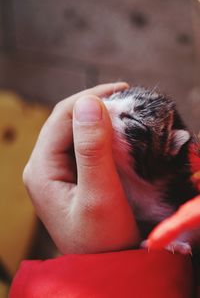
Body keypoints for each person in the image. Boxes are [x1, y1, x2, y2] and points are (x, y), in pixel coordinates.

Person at [23, 82, 200, 254]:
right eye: (112, 98)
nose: (104, 107)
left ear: (171, 148)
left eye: (131, 121)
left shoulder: (184, 207)